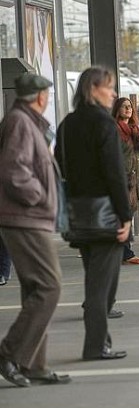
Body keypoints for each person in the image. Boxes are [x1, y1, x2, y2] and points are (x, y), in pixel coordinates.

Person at [55, 67, 132, 361]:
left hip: (78, 212)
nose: (113, 94)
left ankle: (101, 341)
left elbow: (59, 165)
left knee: (95, 279)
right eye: (109, 88)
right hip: (105, 214)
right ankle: (95, 345)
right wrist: (125, 217)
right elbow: (114, 174)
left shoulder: (67, 124)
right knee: (102, 287)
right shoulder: (104, 124)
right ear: (93, 89)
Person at [0, 73, 70, 386]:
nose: (49, 99)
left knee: (35, 288)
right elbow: (14, 172)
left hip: (27, 217)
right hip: (25, 218)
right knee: (49, 286)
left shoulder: (25, 121)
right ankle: (9, 353)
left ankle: (34, 364)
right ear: (39, 96)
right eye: (47, 94)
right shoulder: (20, 122)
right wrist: (40, 198)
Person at [112, 97, 139, 266]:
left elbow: (137, 155)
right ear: (117, 110)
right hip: (121, 178)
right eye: (124, 106)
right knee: (123, 215)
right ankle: (125, 252)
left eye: (130, 107)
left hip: (133, 178)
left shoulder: (134, 130)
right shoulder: (115, 129)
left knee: (126, 214)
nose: (128, 109)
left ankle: (123, 251)